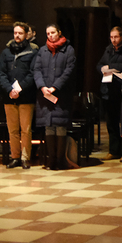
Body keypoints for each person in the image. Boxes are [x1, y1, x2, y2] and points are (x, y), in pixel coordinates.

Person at [33, 24, 77, 170]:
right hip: (45, 95)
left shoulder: (68, 50)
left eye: (53, 32)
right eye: (48, 33)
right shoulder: (42, 50)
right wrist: (42, 86)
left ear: (59, 32)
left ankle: (60, 160)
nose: (50, 35)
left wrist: (55, 87)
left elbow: (69, 71)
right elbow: (37, 70)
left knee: (60, 126)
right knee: (49, 127)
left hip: (61, 94)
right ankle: (51, 161)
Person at [0, 23, 37, 169]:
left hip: (26, 96)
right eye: (15, 33)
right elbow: (1, 73)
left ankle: (25, 157)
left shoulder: (32, 51)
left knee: (25, 129)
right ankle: (15, 157)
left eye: (20, 33)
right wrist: (9, 89)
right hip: (9, 96)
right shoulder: (6, 52)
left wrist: (19, 89)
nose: (17, 36)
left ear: (26, 34)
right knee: (12, 129)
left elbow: (33, 73)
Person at [97, 26, 122, 161]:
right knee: (111, 123)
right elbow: (99, 64)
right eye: (111, 37)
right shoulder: (108, 49)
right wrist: (102, 68)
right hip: (108, 91)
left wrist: (112, 67)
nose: (113, 40)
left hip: (121, 90)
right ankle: (114, 150)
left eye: (116, 37)